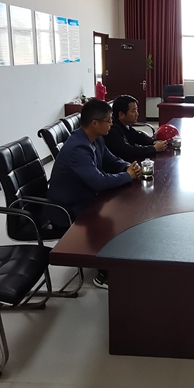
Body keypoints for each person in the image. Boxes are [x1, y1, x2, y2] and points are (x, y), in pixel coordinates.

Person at [47, 98, 141, 289]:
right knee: (118, 214)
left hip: (85, 197)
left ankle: (116, 258)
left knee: (125, 208)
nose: (111, 124)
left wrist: (127, 167)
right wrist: (127, 176)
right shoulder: (78, 148)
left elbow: (110, 160)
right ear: (95, 123)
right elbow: (98, 181)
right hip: (68, 208)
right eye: (108, 120)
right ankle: (104, 273)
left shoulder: (95, 138)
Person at [104, 95, 167, 162]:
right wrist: (154, 148)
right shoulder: (112, 130)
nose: (137, 114)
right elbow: (128, 151)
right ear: (121, 114)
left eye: (136, 110)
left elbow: (138, 136)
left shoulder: (125, 124)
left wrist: (154, 142)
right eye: (133, 111)